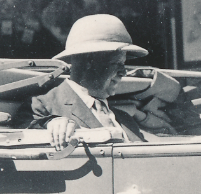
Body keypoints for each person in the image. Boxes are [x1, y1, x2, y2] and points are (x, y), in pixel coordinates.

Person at [15, 14, 148, 148]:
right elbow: (19, 133)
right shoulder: (43, 107)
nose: (123, 72)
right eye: (117, 63)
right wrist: (50, 123)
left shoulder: (125, 119)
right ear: (90, 60)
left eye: (123, 64)